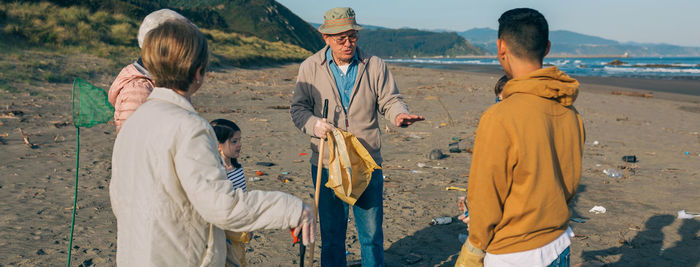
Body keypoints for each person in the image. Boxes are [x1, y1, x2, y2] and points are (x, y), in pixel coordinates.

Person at [110, 20, 314, 266]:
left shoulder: (134, 121)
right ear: (198, 72)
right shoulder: (189, 127)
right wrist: (292, 209)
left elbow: (119, 198)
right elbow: (222, 206)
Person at [290, 7, 424, 267]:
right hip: (327, 163)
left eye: (352, 36)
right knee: (331, 237)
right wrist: (314, 124)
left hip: (366, 162)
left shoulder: (374, 65)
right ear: (326, 38)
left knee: (372, 236)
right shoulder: (309, 67)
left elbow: (391, 100)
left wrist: (398, 115)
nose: (348, 43)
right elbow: (298, 109)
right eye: (341, 38)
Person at [455, 8, 585, 267]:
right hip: (559, 242)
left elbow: (487, 194)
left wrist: (474, 247)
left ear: (500, 47)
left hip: (514, 253)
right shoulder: (569, 112)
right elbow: (569, 183)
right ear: (546, 47)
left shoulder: (499, 117)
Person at [108, 9, 188, 132]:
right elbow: (134, 143)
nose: (186, 50)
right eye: (181, 42)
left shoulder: (161, 80)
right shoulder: (138, 91)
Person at [211, 118, 249, 267]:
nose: (239, 145)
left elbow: (244, 195)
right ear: (219, 145)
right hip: (225, 229)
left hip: (239, 225)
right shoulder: (217, 172)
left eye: (239, 140)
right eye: (234, 141)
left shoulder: (237, 168)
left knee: (239, 258)